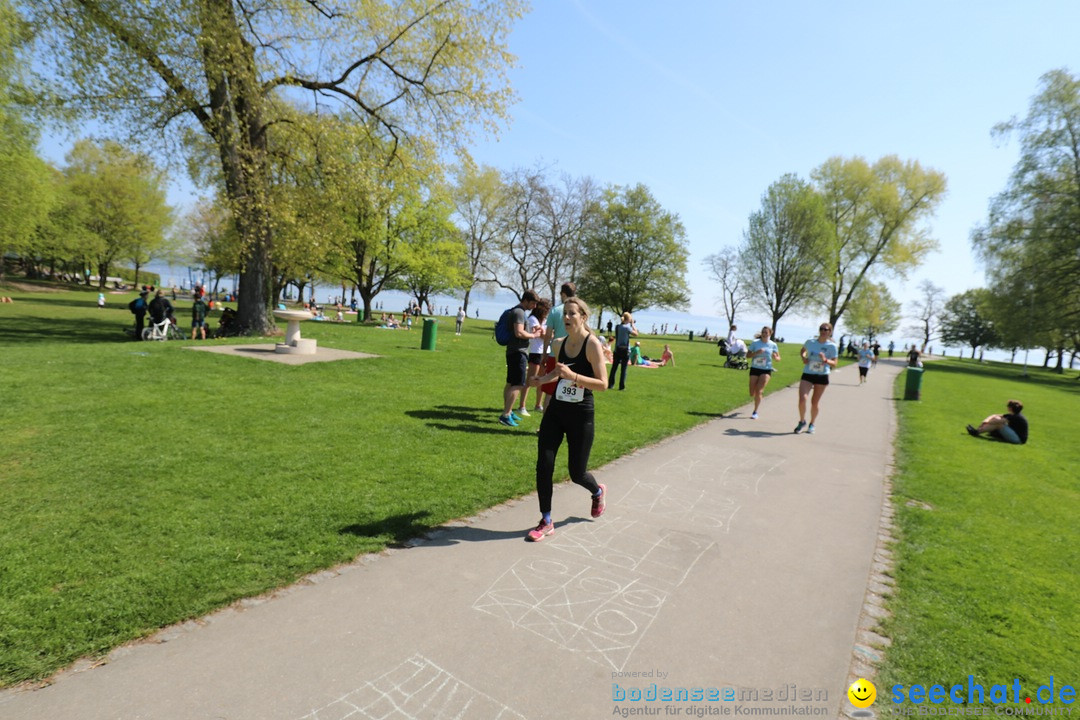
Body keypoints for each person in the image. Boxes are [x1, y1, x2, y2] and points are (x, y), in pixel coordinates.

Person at [526, 297, 608, 541]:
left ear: (583, 317)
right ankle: (546, 520)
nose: (567, 318)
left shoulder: (592, 345)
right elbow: (557, 372)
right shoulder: (560, 344)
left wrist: (573, 376)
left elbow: (603, 384)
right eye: (565, 315)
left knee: (577, 472)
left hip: (581, 413)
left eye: (572, 314)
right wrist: (542, 380)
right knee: (544, 465)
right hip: (556, 411)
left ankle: (596, 491)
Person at [498, 289, 542, 427]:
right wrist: (534, 336)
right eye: (533, 303)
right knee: (517, 384)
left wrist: (531, 332)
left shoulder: (518, 312)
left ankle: (508, 411)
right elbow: (518, 332)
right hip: (518, 352)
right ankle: (505, 415)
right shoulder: (519, 312)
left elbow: (521, 331)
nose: (534, 307)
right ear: (526, 301)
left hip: (514, 351)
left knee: (511, 382)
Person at [794, 322, 838, 435]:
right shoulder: (810, 342)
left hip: (822, 375)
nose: (823, 331)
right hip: (808, 373)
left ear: (830, 332)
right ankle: (802, 421)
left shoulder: (832, 346)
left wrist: (825, 360)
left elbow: (835, 363)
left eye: (826, 329)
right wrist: (803, 358)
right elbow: (802, 351)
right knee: (802, 399)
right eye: (821, 329)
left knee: (814, 402)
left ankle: (812, 423)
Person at [541, 282, 577, 412]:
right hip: (573, 355)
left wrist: (544, 353)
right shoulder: (578, 312)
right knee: (570, 393)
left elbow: (548, 335)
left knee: (550, 393)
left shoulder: (555, 310)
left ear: (563, 294)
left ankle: (545, 426)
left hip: (555, 355)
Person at [518, 298, 550, 417]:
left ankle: (538, 405)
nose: (547, 312)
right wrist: (546, 334)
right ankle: (522, 406)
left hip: (545, 352)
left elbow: (548, 335)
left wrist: (546, 334)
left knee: (542, 380)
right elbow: (542, 336)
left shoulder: (545, 321)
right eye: (546, 310)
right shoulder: (532, 319)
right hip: (535, 352)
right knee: (530, 380)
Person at [747, 326, 781, 419]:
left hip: (766, 369)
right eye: (763, 332)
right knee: (751, 392)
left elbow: (778, 358)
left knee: (759, 391)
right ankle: (755, 397)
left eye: (766, 332)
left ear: (770, 334)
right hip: (755, 368)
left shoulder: (773, 345)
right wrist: (756, 353)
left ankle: (755, 411)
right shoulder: (755, 343)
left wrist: (775, 357)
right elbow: (748, 355)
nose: (764, 334)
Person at [607, 312, 638, 390]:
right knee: (623, 369)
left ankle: (610, 384)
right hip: (625, 351)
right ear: (628, 319)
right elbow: (636, 334)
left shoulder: (617, 327)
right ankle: (621, 386)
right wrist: (633, 324)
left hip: (617, 350)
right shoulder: (627, 328)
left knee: (614, 368)